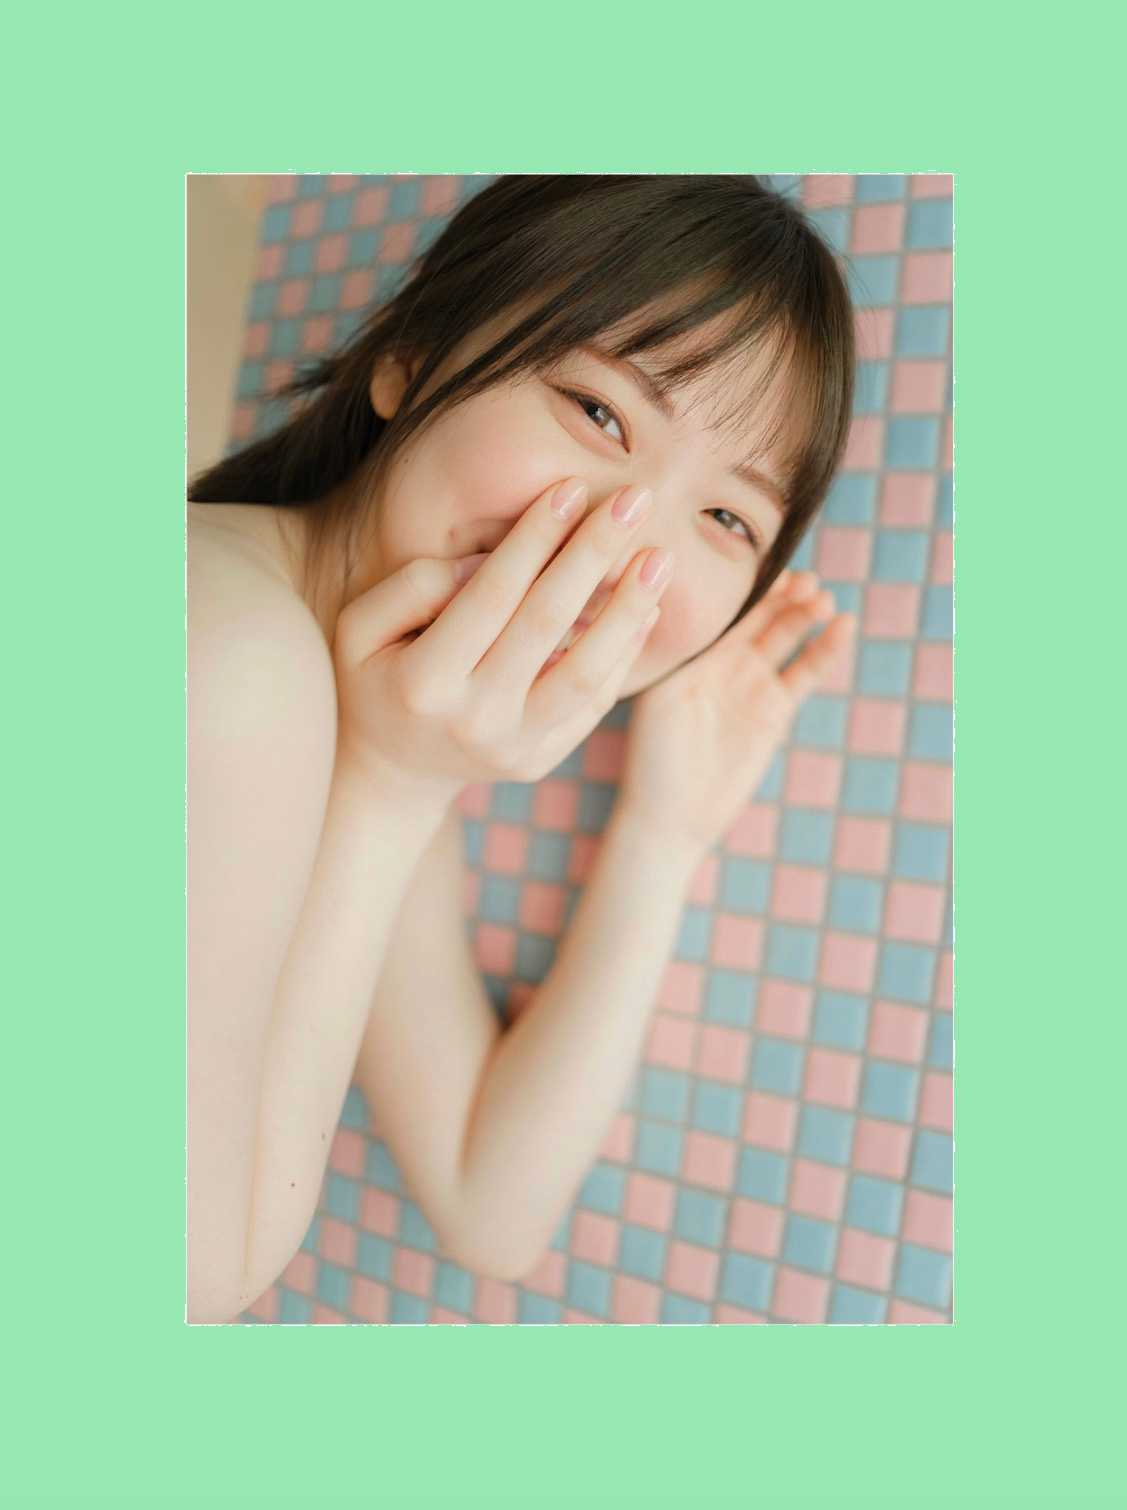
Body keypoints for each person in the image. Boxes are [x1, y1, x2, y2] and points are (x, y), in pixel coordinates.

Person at [186, 174, 857, 1324]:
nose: (628, 544)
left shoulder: (364, 702)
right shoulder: (239, 658)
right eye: (600, 413)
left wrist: (662, 835)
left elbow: (489, 1201)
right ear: (406, 358)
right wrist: (393, 790)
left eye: (725, 518)